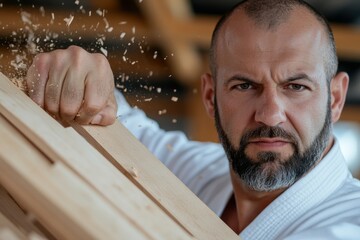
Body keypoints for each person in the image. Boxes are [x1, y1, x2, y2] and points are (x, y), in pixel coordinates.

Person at [26, 0, 360, 239]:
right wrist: (81, 79)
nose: (270, 113)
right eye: (244, 85)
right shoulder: (197, 171)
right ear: (211, 97)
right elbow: (118, 129)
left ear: (334, 99)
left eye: (296, 86)